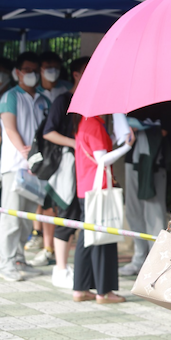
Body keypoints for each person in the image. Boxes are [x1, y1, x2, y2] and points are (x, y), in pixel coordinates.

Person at [72, 113, 135, 303]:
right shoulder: (94, 124)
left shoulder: (84, 122)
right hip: (98, 187)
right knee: (103, 239)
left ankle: (80, 289)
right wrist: (127, 147)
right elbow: (102, 159)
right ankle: (104, 292)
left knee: (86, 239)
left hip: (86, 187)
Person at [0, 51, 51, 282]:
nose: (31, 74)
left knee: (27, 217)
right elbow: (9, 127)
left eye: (34, 70)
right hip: (15, 167)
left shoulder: (43, 98)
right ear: (18, 72)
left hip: (36, 168)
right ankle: (6, 262)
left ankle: (19, 259)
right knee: (11, 218)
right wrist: (24, 151)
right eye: (27, 70)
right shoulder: (11, 96)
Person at [40, 56, 89, 288]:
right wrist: (75, 143)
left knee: (79, 216)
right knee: (66, 216)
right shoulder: (63, 100)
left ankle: (70, 268)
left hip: (85, 169)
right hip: (68, 168)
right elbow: (49, 132)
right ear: (76, 75)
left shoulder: (91, 102)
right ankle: (60, 269)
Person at [28, 51, 75, 267]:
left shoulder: (64, 89)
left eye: (55, 66)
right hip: (46, 155)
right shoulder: (37, 93)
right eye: (48, 66)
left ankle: (52, 248)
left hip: (59, 157)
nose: (51, 70)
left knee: (55, 202)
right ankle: (47, 246)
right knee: (46, 202)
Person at [118, 101, 171, 276]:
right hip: (132, 160)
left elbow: (166, 129)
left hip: (154, 162)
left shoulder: (167, 99)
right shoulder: (134, 96)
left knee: (154, 214)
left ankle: (155, 263)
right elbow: (122, 128)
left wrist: (142, 128)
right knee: (133, 212)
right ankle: (139, 258)